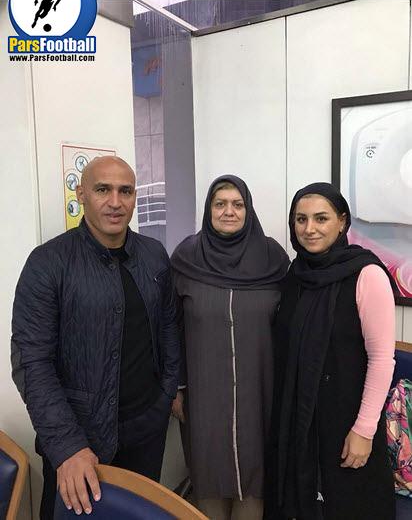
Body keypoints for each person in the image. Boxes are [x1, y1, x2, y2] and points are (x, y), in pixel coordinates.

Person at [11, 156, 179, 519]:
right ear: (82, 194)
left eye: (125, 191)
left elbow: (169, 329)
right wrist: (67, 446)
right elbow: (32, 362)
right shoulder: (48, 263)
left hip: (146, 429)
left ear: (135, 197)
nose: (115, 202)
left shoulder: (154, 256)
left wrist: (165, 395)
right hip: (79, 440)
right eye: (103, 189)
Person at [264, 182, 397, 520]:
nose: (309, 228)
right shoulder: (295, 275)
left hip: (346, 421)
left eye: (321, 218)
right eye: (301, 219)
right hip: (300, 420)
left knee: (348, 506)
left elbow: (382, 359)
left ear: (342, 222)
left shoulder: (367, 274)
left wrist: (364, 429)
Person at [171, 175, 289, 520]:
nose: (229, 211)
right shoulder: (186, 258)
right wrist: (176, 387)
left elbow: (289, 325)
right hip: (203, 391)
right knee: (207, 472)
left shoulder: (272, 258)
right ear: (208, 209)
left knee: (256, 474)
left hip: (260, 390)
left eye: (237, 204)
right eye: (220, 204)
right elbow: (171, 327)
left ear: (248, 209)